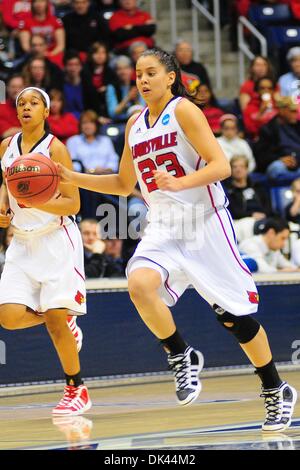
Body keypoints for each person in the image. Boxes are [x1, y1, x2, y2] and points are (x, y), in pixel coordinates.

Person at [57, 49, 297, 432]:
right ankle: (180, 352)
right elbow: (123, 184)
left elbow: (219, 165)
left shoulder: (184, 110)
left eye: (151, 72)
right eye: (138, 73)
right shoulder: (135, 123)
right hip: (165, 225)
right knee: (138, 283)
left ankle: (274, 387)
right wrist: (71, 177)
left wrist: (181, 182)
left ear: (171, 76)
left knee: (232, 318)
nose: (143, 79)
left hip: (205, 222)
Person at [0, 86, 91, 415]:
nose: (26, 107)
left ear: (46, 112)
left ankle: (76, 388)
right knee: (8, 317)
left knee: (55, 318)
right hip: (22, 242)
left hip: (56, 238)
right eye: (21, 103)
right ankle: (61, 319)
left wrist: (36, 199)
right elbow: (5, 183)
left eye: (33, 103)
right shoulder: (6, 147)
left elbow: (74, 202)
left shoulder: (57, 149)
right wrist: (3, 207)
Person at [223, 155, 272, 242]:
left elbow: (268, 206)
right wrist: (251, 215)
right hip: (242, 221)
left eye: (241, 166)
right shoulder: (229, 190)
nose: (238, 170)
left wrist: (264, 214)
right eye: (234, 167)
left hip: (263, 218)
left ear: (247, 169)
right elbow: (233, 212)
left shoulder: (257, 186)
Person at [254, 96, 300, 178]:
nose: (296, 114)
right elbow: (261, 156)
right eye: (292, 111)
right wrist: (279, 159)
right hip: (280, 164)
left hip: (298, 163)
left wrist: (297, 160)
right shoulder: (268, 129)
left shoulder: (297, 126)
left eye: (296, 111)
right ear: (282, 110)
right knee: (277, 168)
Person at [66, 110, 119, 174]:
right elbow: (72, 163)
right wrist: (91, 171)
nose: (88, 126)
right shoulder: (72, 141)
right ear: (80, 125)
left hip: (105, 176)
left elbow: (113, 159)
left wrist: (107, 169)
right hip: (82, 177)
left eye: (91, 122)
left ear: (96, 125)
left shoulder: (106, 140)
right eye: (84, 123)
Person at [18, 0, 65, 68]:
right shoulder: (26, 22)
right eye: (36, 1)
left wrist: (49, 54)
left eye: (42, 1)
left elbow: (61, 46)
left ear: (47, 3)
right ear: (32, 4)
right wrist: (38, 53)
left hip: (53, 54)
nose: (39, 4)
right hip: (34, 54)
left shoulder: (55, 21)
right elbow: (26, 47)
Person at [106, 55, 144, 122]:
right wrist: (128, 98)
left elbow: (142, 109)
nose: (123, 72)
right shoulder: (111, 87)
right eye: (119, 69)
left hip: (136, 120)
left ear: (131, 70)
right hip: (118, 122)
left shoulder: (138, 85)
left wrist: (135, 99)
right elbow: (112, 113)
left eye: (126, 68)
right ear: (115, 71)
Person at [243, 76, 278, 141]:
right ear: (257, 90)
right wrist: (261, 112)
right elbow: (251, 129)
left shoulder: (278, 105)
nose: (266, 91)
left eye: (270, 88)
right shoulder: (250, 107)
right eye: (262, 88)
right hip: (260, 141)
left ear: (273, 90)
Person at [0, 74, 24, 139]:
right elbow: (5, 133)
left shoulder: (31, 107)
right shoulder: (1, 108)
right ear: (7, 88)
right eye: (13, 87)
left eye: (20, 87)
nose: (16, 90)